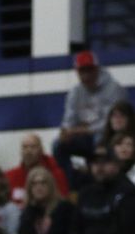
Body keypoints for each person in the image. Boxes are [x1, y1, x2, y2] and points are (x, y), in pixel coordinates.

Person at [53, 50, 127, 190]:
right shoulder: (75, 92)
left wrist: (83, 129)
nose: (86, 75)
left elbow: (110, 122)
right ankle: (77, 185)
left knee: (98, 139)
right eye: (82, 71)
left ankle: (102, 184)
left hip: (109, 135)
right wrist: (65, 133)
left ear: (97, 69)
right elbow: (68, 121)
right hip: (83, 136)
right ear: (77, 72)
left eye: (89, 70)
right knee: (58, 146)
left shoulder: (113, 88)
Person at [17, 166, 74, 234]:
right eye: (34, 184)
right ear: (29, 188)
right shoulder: (28, 211)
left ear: (51, 186)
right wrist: (31, 212)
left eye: (43, 183)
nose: (39, 187)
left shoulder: (64, 207)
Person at [5, 133, 69, 205]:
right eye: (25, 147)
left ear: (41, 150)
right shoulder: (9, 176)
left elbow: (62, 201)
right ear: (21, 151)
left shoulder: (56, 174)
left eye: (33, 147)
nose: (28, 151)